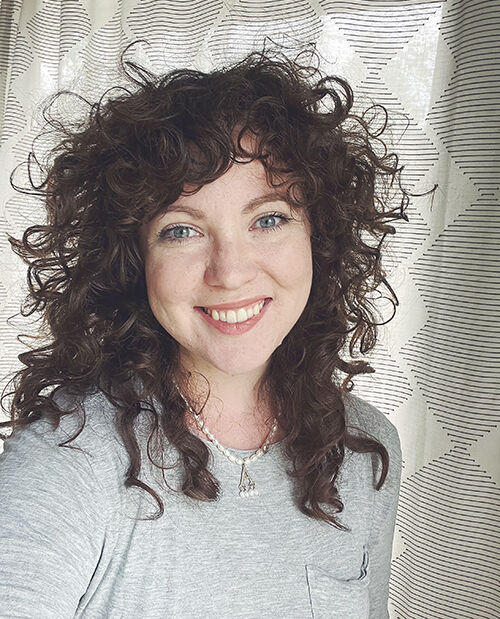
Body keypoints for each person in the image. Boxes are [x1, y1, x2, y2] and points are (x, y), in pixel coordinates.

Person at [0, 41, 426, 618]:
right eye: (182, 230)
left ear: (319, 236)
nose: (229, 272)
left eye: (268, 219)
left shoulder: (364, 446)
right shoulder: (66, 457)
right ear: (133, 260)